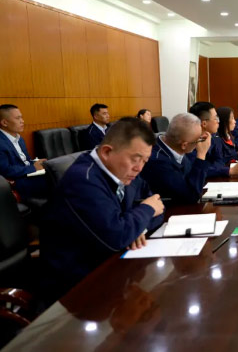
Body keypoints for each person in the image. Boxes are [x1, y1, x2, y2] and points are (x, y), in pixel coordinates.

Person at [41, 117, 165, 300]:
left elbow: (158, 206)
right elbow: (116, 237)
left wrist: (138, 227)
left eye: (145, 161)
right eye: (135, 159)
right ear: (107, 152)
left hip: (113, 265)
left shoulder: (125, 172)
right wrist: (144, 213)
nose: (139, 168)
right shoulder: (83, 180)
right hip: (78, 285)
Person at [141, 113, 223, 205]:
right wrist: (201, 155)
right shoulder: (157, 161)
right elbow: (191, 196)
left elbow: (190, 176)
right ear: (184, 145)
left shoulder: (173, 145)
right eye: (198, 140)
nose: (200, 142)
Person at [0, 104, 48, 200]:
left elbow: (25, 162)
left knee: (54, 170)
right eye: (18, 118)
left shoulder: (19, 139)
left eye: (21, 117)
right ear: (4, 123)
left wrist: (36, 163)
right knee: (54, 179)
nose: (22, 121)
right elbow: (5, 171)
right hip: (16, 182)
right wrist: (33, 168)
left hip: (27, 175)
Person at [188, 102, 238, 176]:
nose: (218, 121)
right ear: (204, 124)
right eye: (215, 118)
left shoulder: (214, 138)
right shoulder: (190, 144)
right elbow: (197, 171)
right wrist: (229, 171)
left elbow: (219, 162)